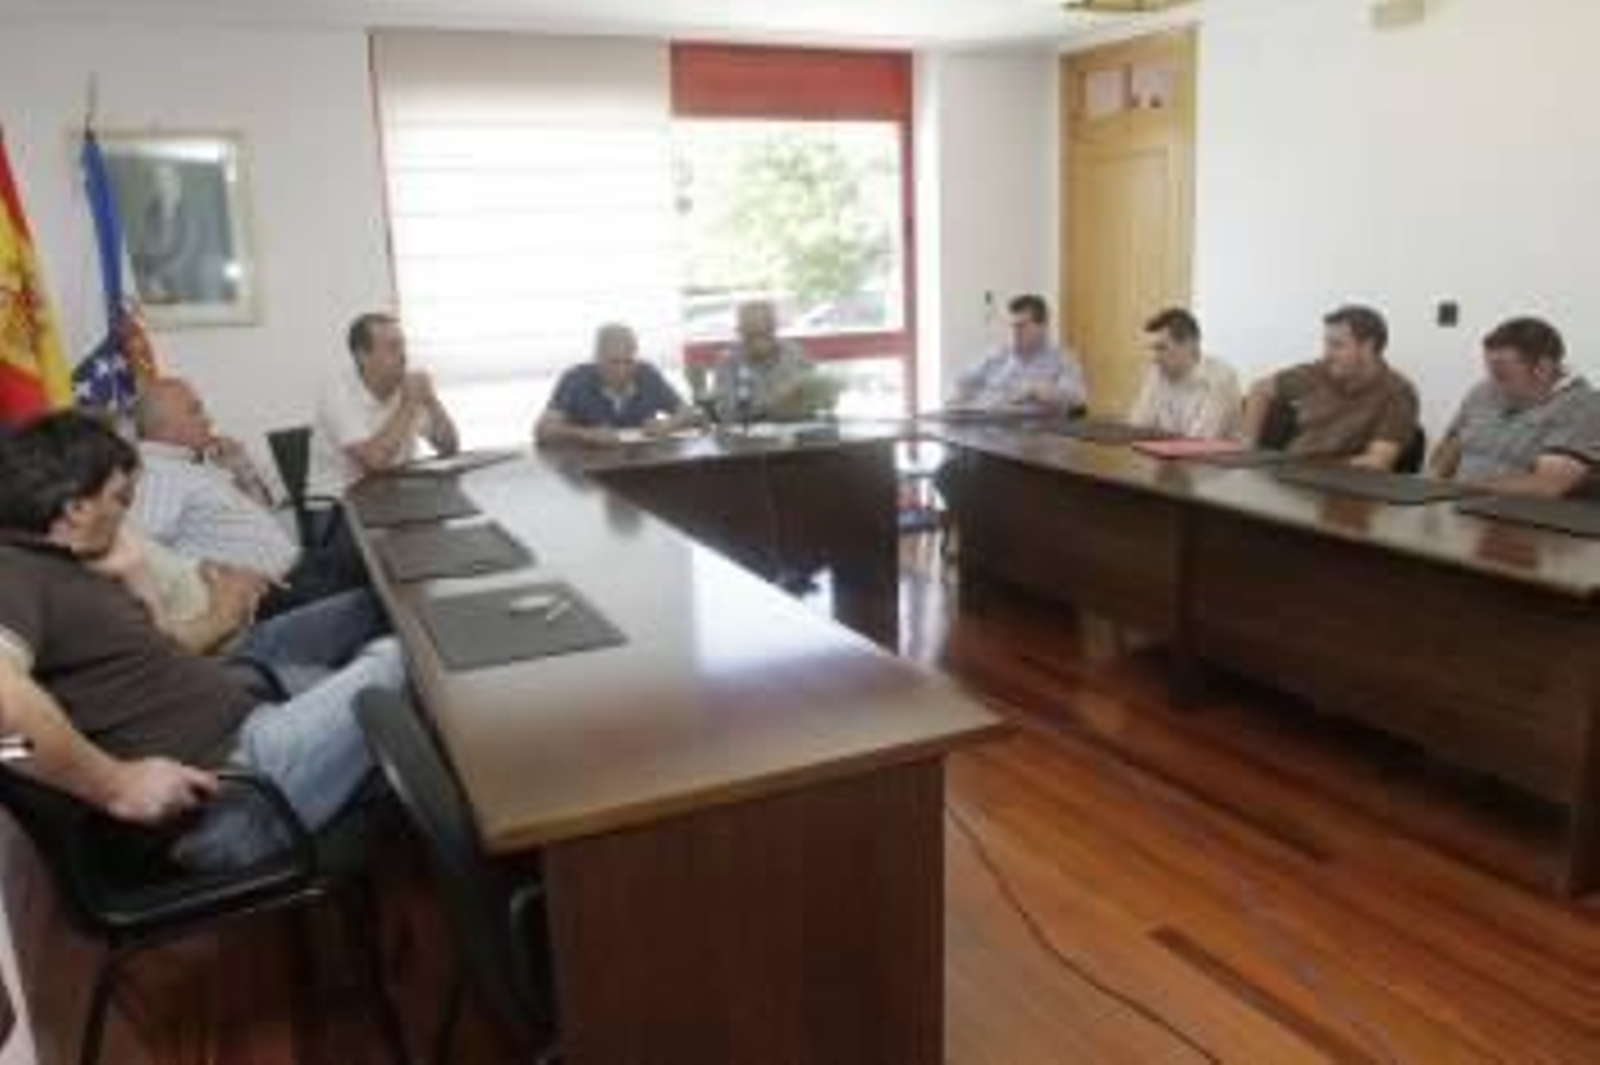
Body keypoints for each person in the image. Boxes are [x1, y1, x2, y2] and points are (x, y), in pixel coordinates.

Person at [0, 412, 406, 870]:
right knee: (404, 657)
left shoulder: (66, 568)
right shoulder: (13, 570)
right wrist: (113, 785)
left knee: (397, 631)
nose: (126, 512)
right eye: (119, 498)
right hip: (235, 795)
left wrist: (134, 575)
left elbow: (151, 654)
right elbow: (4, 735)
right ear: (76, 508)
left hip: (249, 740)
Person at [132, 376, 368, 615]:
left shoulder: (191, 464)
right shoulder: (155, 473)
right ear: (164, 426)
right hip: (272, 592)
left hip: (296, 567)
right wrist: (206, 570)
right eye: (195, 411)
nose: (208, 420)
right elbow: (144, 548)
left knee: (375, 554)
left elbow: (264, 516)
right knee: (376, 575)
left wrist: (241, 470)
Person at [1430, 316, 1600, 497]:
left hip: (1523, 517)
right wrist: (1433, 486)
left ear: (1543, 368)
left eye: (1501, 374)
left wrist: (1463, 488)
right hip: (1458, 504)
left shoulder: (1582, 406)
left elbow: (1546, 485)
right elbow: (1450, 447)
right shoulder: (1483, 391)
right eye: (1489, 370)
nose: (1492, 384)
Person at [1240, 305, 1420, 469]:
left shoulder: (1398, 393)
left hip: (1344, 485)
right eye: (1326, 343)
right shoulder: (1317, 372)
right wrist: (1248, 444)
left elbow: (1377, 462)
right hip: (1291, 474)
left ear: (1367, 347)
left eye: (1337, 345)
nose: (1327, 354)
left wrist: (1315, 468)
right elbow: (1260, 389)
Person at [307, 312, 460, 495]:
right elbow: (375, 463)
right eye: (392, 347)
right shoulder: (337, 393)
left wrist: (432, 401)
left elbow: (449, 446)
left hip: (394, 496)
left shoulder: (405, 386)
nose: (403, 355)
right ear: (362, 355)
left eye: (403, 345)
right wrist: (409, 404)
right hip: (338, 504)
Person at [535, 323, 701, 447]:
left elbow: (692, 414)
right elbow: (543, 430)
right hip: (590, 471)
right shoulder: (575, 379)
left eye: (628, 361)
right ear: (597, 358)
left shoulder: (647, 374)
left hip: (643, 465)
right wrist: (585, 434)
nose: (622, 370)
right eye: (614, 362)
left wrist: (668, 425)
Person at [947, 294, 1087, 414]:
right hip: (988, 428)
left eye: (1021, 326)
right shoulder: (998, 354)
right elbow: (963, 382)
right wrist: (958, 398)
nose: (1014, 333)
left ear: (1043, 326)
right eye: (1011, 326)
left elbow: (1077, 398)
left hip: (1036, 435)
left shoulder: (1062, 358)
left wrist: (1036, 389)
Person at [711, 300, 837, 423]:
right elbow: (726, 412)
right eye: (752, 334)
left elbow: (821, 397)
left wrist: (826, 397)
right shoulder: (729, 361)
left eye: (766, 332)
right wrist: (772, 403)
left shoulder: (794, 353)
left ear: (775, 328)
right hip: (751, 436)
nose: (759, 341)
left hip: (799, 431)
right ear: (740, 331)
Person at [1126, 308, 1242, 439]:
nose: (1155, 358)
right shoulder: (1157, 374)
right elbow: (1137, 427)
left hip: (1209, 458)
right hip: (1167, 456)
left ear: (1190, 344)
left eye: (1161, 348)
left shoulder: (1221, 378)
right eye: (1153, 349)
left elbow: (1198, 441)